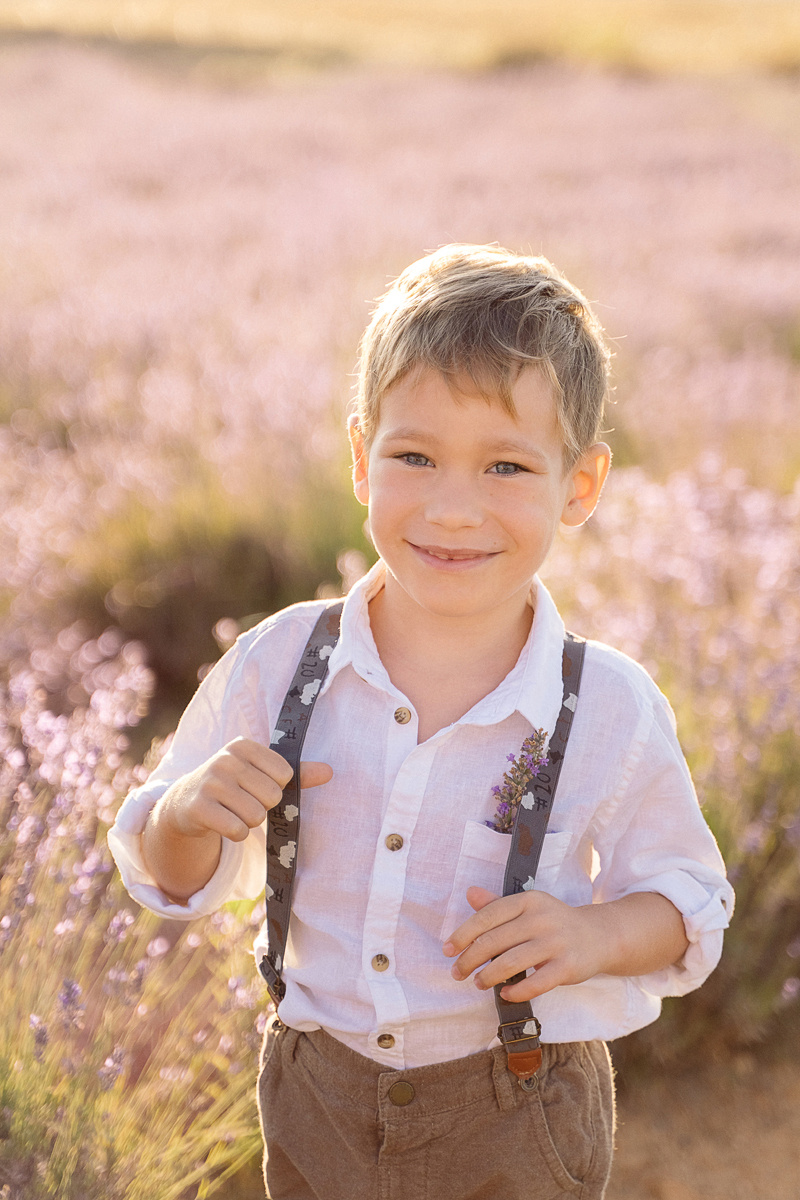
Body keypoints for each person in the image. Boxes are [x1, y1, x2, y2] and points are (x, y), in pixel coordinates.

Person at [108, 244, 733, 1200]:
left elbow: (688, 899)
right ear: (361, 459)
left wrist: (592, 937)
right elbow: (171, 872)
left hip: (519, 1109)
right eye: (414, 456)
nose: (453, 507)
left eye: (507, 467)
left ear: (581, 487)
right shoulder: (281, 666)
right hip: (318, 1094)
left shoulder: (607, 705)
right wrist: (188, 814)